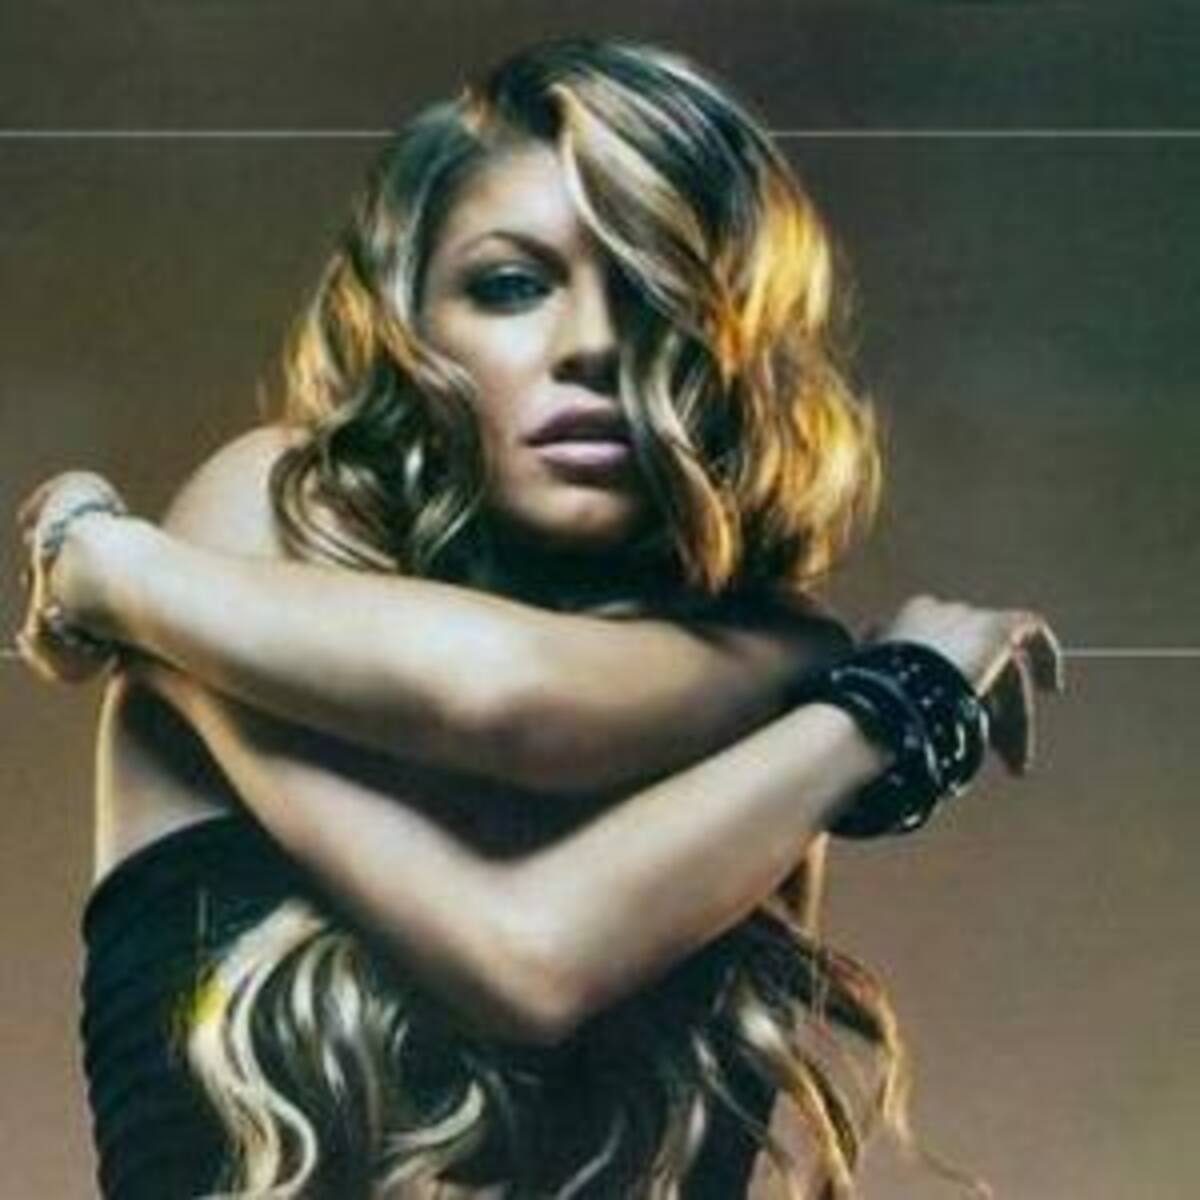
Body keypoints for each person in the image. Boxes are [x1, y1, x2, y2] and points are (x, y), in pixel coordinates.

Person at [14, 36, 1062, 1200]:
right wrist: (869, 701)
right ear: (413, 324)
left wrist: (840, 694)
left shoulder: (784, 708)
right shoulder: (265, 519)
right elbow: (524, 927)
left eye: (655, 292)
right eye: (511, 286)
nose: (593, 345)